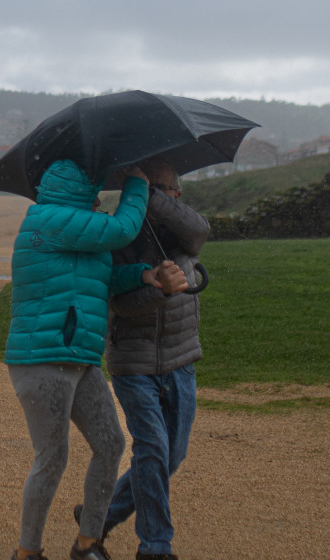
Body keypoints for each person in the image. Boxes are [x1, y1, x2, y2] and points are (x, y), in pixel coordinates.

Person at [5, 159, 182, 560]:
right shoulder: (47, 220)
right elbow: (122, 229)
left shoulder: (78, 224)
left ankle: (88, 543)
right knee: (52, 457)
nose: (103, 188)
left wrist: (142, 275)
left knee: (110, 442)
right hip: (42, 359)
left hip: (79, 357)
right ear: (78, 188)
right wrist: (137, 184)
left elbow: (100, 275)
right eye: (97, 183)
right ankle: (26, 552)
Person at [76, 158, 209, 560]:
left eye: (160, 189)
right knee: (151, 448)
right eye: (140, 188)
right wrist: (159, 290)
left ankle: (96, 517)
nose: (147, 196)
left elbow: (200, 232)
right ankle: (155, 546)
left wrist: (148, 193)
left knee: (171, 456)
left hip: (180, 357)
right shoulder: (117, 232)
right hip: (132, 362)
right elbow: (120, 303)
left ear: (174, 195)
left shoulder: (181, 229)